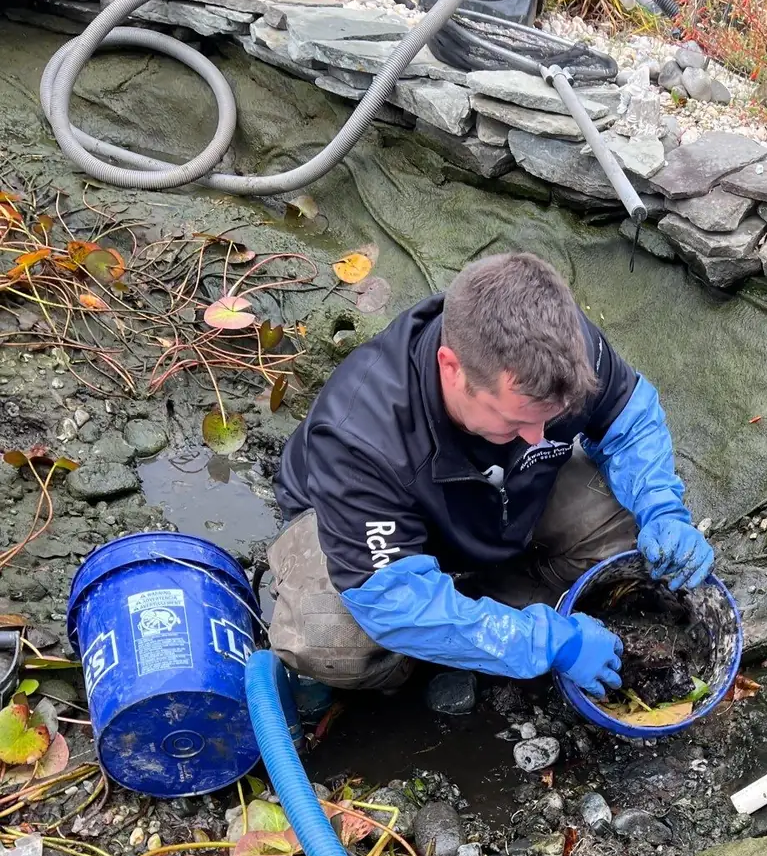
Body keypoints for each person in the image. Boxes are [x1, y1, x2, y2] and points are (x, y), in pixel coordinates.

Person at [267, 251, 713, 704]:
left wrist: (661, 506)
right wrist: (543, 643)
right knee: (328, 641)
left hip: (502, 490)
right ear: (451, 369)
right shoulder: (359, 440)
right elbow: (390, 600)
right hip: (371, 530)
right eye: (516, 421)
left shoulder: (559, 343)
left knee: (629, 536)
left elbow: (629, 418)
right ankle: (441, 653)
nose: (538, 438)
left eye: (550, 419)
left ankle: (485, 609)